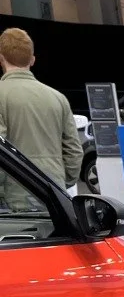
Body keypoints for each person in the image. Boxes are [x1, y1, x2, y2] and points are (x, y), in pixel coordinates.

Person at [0, 28, 82, 201]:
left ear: (1, 58)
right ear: (32, 59)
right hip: (56, 198)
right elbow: (74, 151)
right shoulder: (58, 98)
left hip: (13, 201)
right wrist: (59, 182)